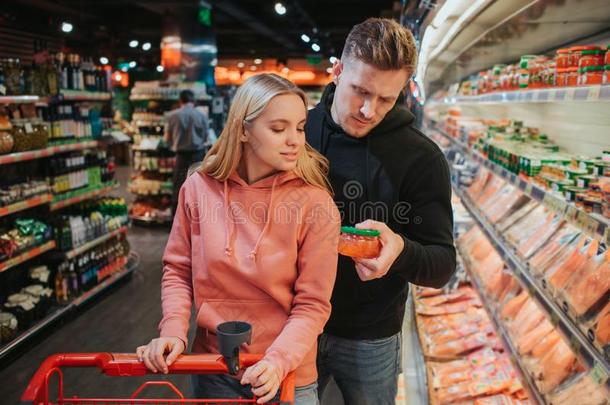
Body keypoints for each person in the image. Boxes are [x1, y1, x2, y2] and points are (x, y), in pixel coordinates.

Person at [137, 73, 341, 405]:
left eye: (300, 127)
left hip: (285, 374)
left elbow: (313, 304)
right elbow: (177, 269)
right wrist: (172, 331)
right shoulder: (198, 188)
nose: (295, 140)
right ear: (243, 129)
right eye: (278, 129)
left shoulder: (315, 203)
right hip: (212, 368)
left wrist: (278, 361)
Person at [305, 18, 457, 404]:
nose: (370, 111)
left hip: (371, 334)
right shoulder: (297, 134)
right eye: (360, 91)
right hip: (293, 324)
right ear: (337, 71)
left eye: (387, 99)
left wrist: (400, 250)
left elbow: (442, 263)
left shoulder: (421, 158)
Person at [164, 89, 209, 216]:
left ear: (180, 101)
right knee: (199, 186)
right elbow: (206, 137)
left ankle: (177, 218)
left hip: (181, 156)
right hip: (198, 155)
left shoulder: (173, 116)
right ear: (193, 101)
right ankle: (198, 216)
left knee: (179, 186)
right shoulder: (201, 115)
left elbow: (167, 139)